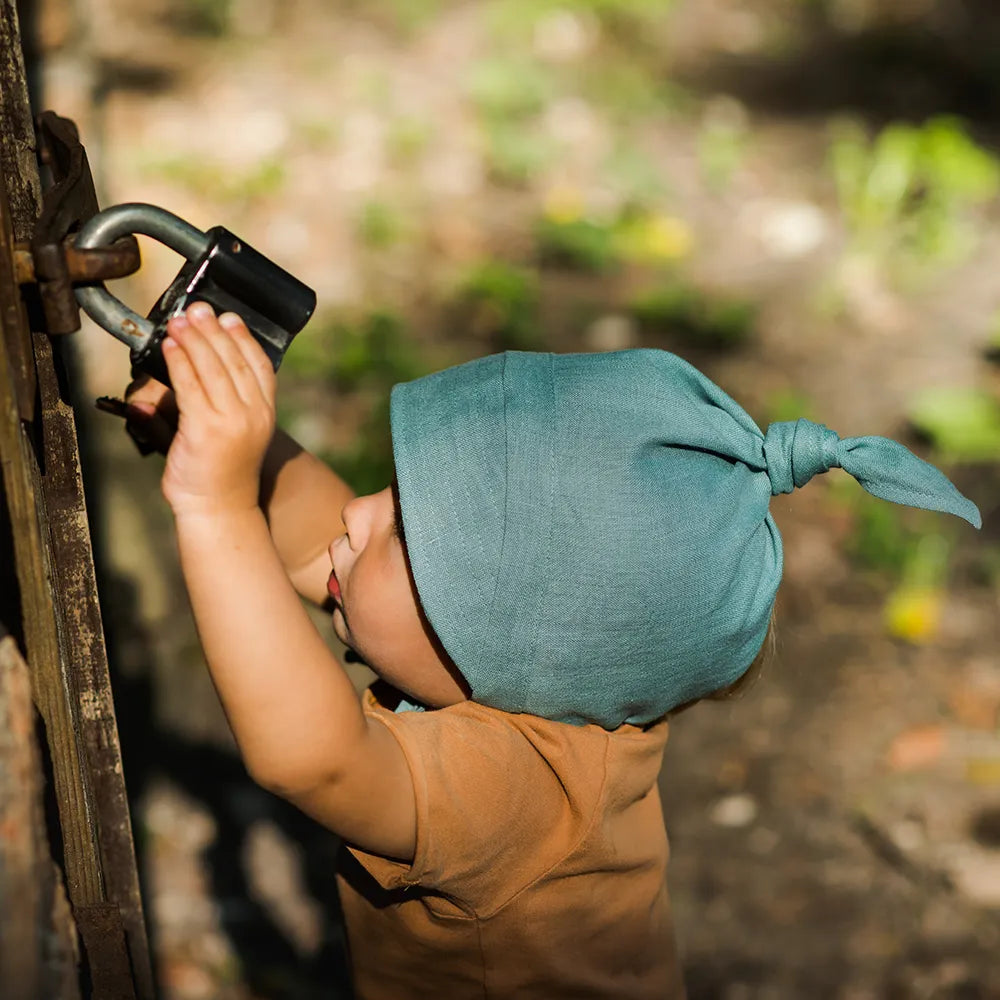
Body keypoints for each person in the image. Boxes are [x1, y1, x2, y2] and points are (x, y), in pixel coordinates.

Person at [125, 300, 981, 999]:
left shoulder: (518, 789)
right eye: (391, 492)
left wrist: (216, 505)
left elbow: (310, 759)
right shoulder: (555, 676)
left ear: (505, 651)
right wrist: (232, 441)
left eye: (406, 534)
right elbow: (324, 552)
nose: (356, 513)